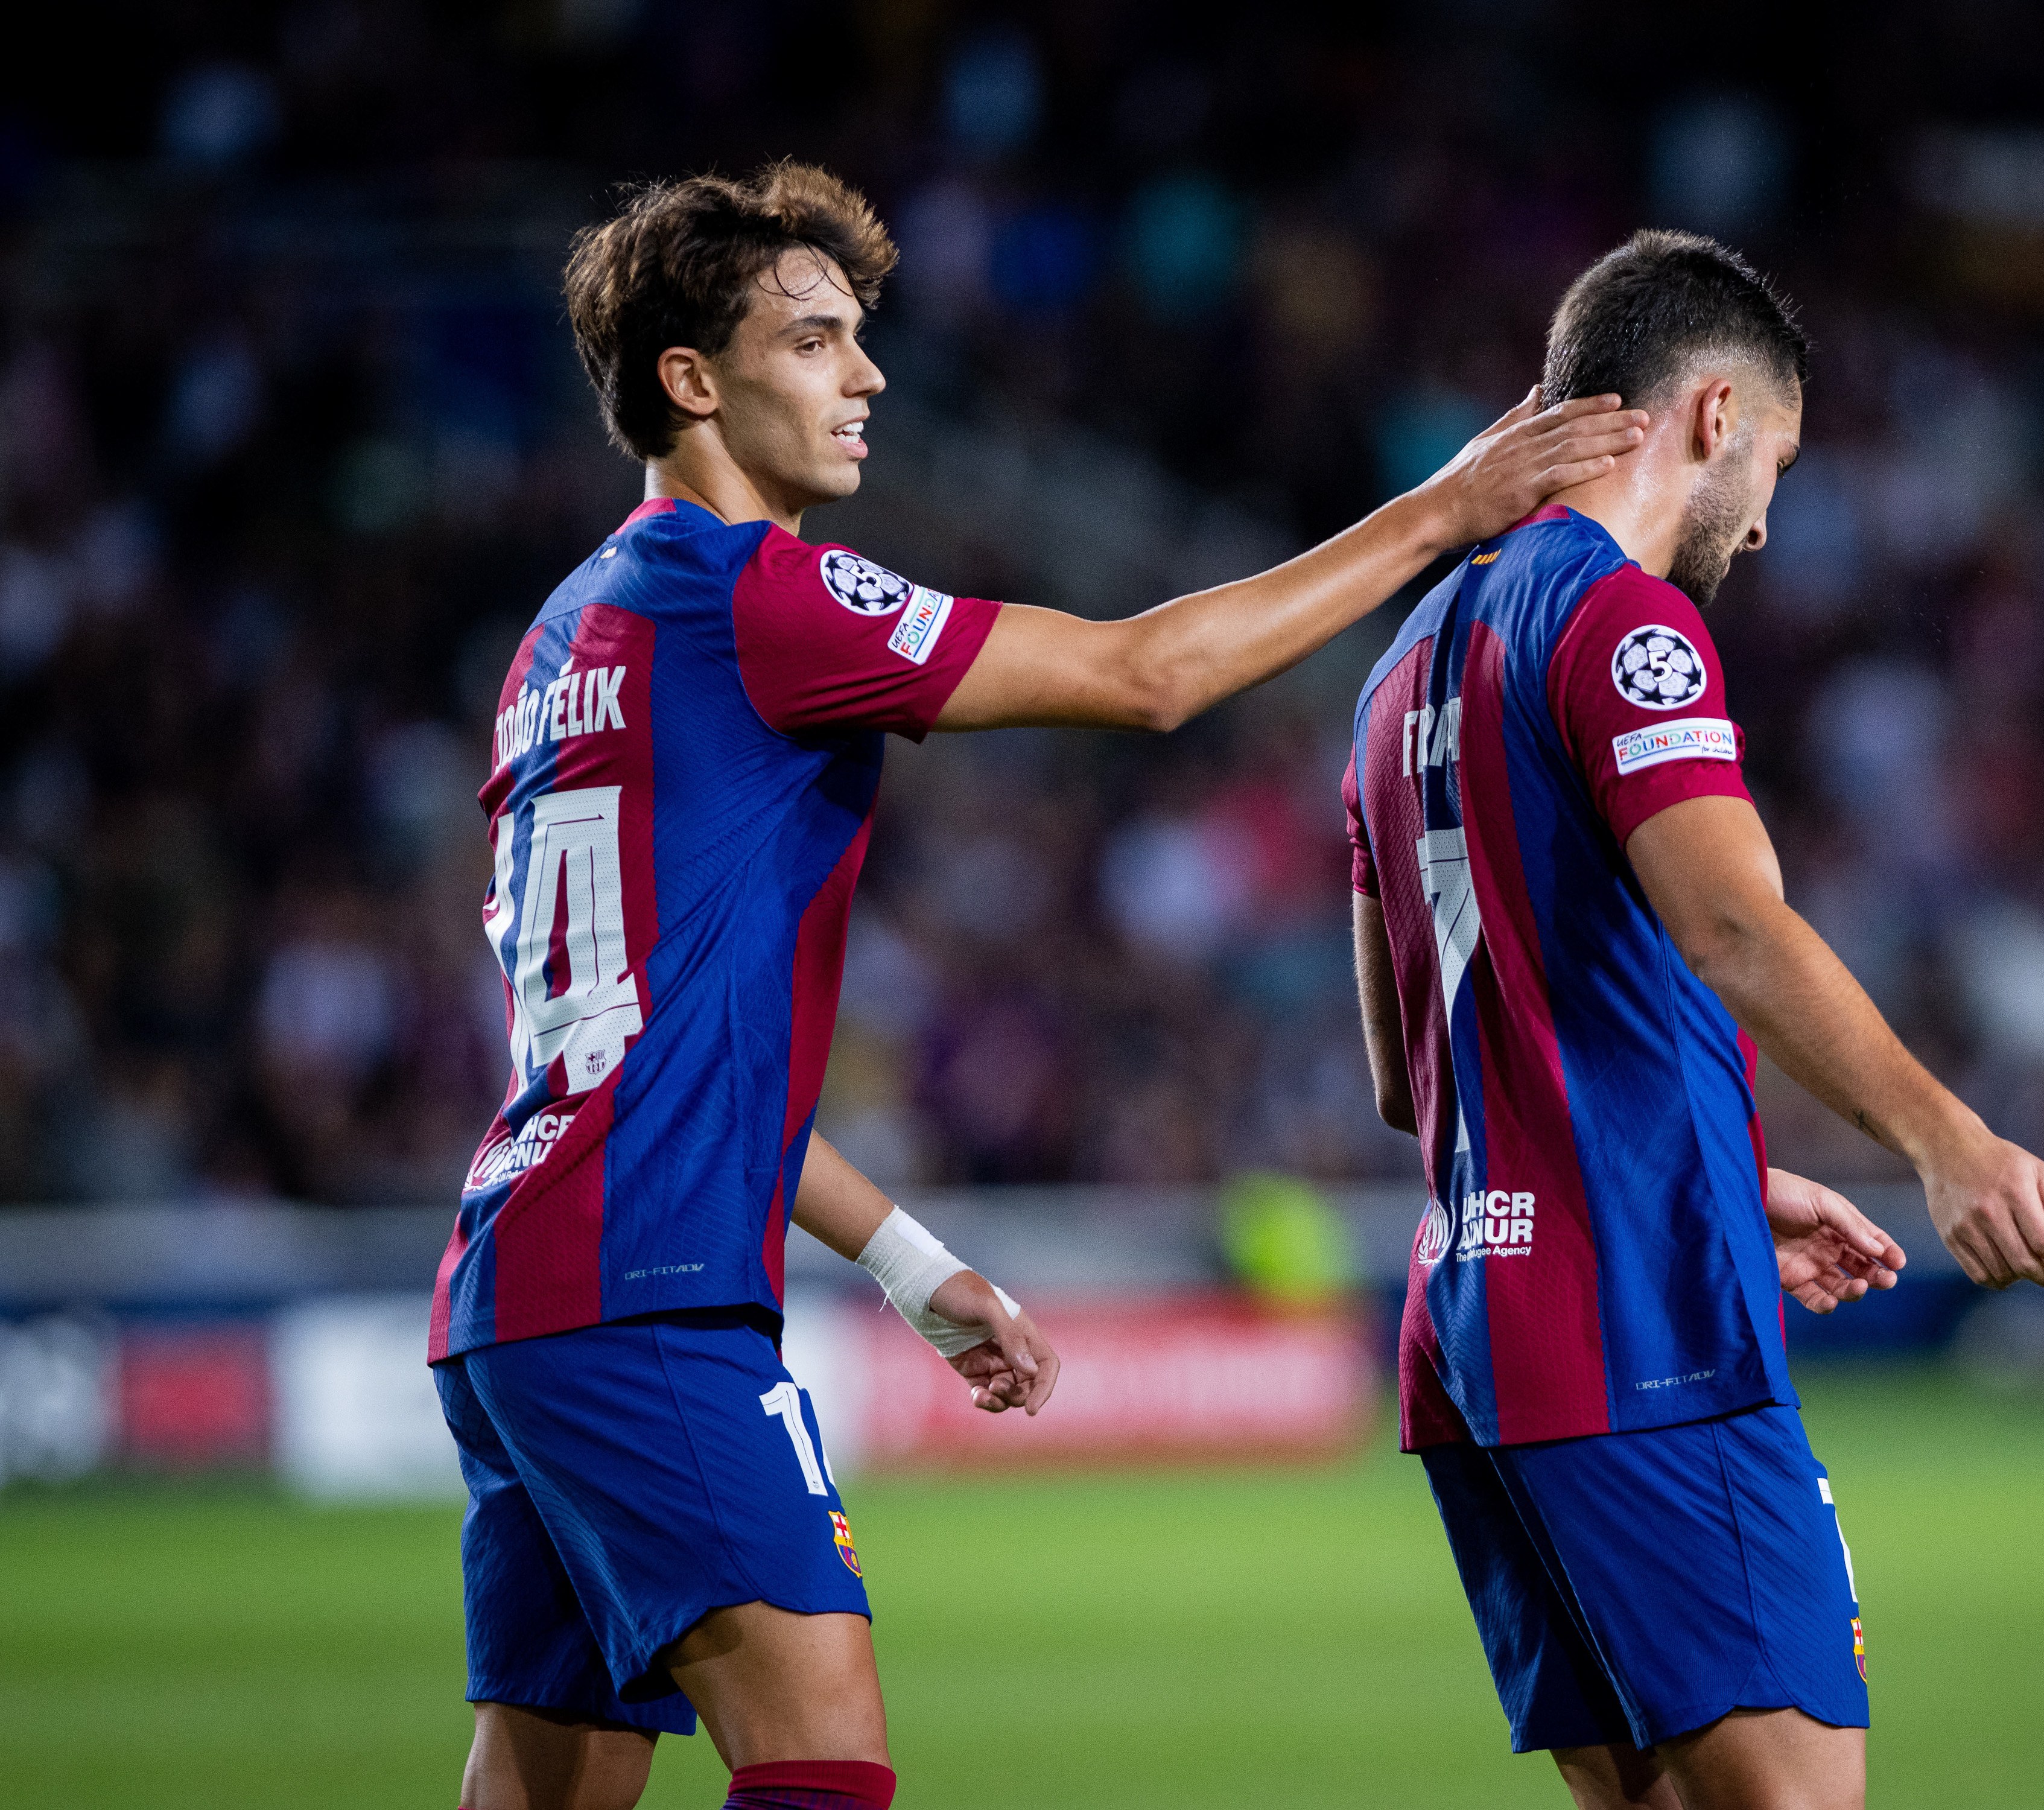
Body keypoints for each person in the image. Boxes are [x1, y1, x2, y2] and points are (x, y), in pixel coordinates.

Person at [435, 160, 1644, 1810]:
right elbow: (1148, 678)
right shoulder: (752, 594)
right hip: (642, 1288)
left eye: (862, 339)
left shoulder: (559, 642)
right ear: (690, 381)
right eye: (814, 341)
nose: (865, 377)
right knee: (821, 1759)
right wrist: (1445, 510)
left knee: (542, 1784)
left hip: (516, 1287)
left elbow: (652, 1051)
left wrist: (914, 1263)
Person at [1343, 229, 2044, 1810]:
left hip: (1475, 1322)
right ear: (1711, 413)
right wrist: (1943, 1141)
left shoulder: (1397, 666)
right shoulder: (1622, 623)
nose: (1760, 525)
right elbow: (1734, 925)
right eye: (1778, 467)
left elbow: (1411, 1075)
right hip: (1637, 1317)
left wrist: (1723, 1167)